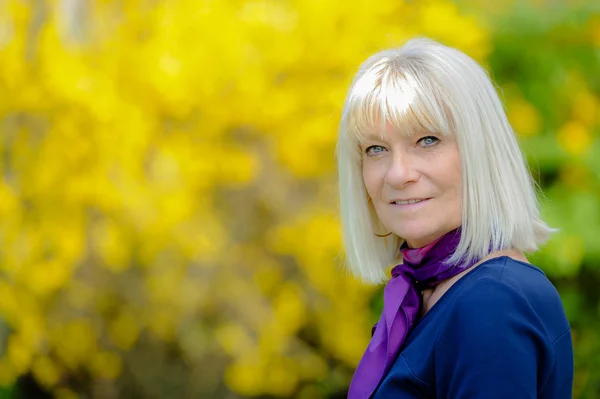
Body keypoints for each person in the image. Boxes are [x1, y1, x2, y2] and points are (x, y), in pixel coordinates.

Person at [336, 37, 573, 399]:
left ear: (482, 151)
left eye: (427, 140)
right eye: (376, 149)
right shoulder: (432, 294)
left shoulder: (491, 303)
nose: (398, 174)